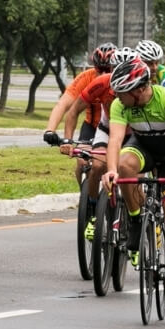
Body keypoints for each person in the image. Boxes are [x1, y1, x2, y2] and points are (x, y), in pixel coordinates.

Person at [102, 57, 165, 306]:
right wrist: (110, 171)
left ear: (140, 89)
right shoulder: (121, 105)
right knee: (124, 165)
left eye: (122, 92)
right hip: (144, 148)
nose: (118, 97)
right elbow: (115, 141)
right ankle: (135, 218)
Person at [60, 47, 137, 243]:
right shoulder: (101, 83)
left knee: (134, 178)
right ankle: (94, 212)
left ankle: (136, 220)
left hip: (133, 133)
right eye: (116, 69)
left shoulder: (141, 85)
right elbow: (73, 111)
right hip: (107, 129)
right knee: (97, 166)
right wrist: (68, 141)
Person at [43, 43, 116, 179]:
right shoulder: (86, 78)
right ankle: (85, 197)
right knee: (82, 162)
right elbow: (63, 105)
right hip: (91, 126)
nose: (104, 74)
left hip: (117, 128)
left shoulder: (122, 81)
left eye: (108, 69)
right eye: (99, 70)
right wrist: (50, 131)